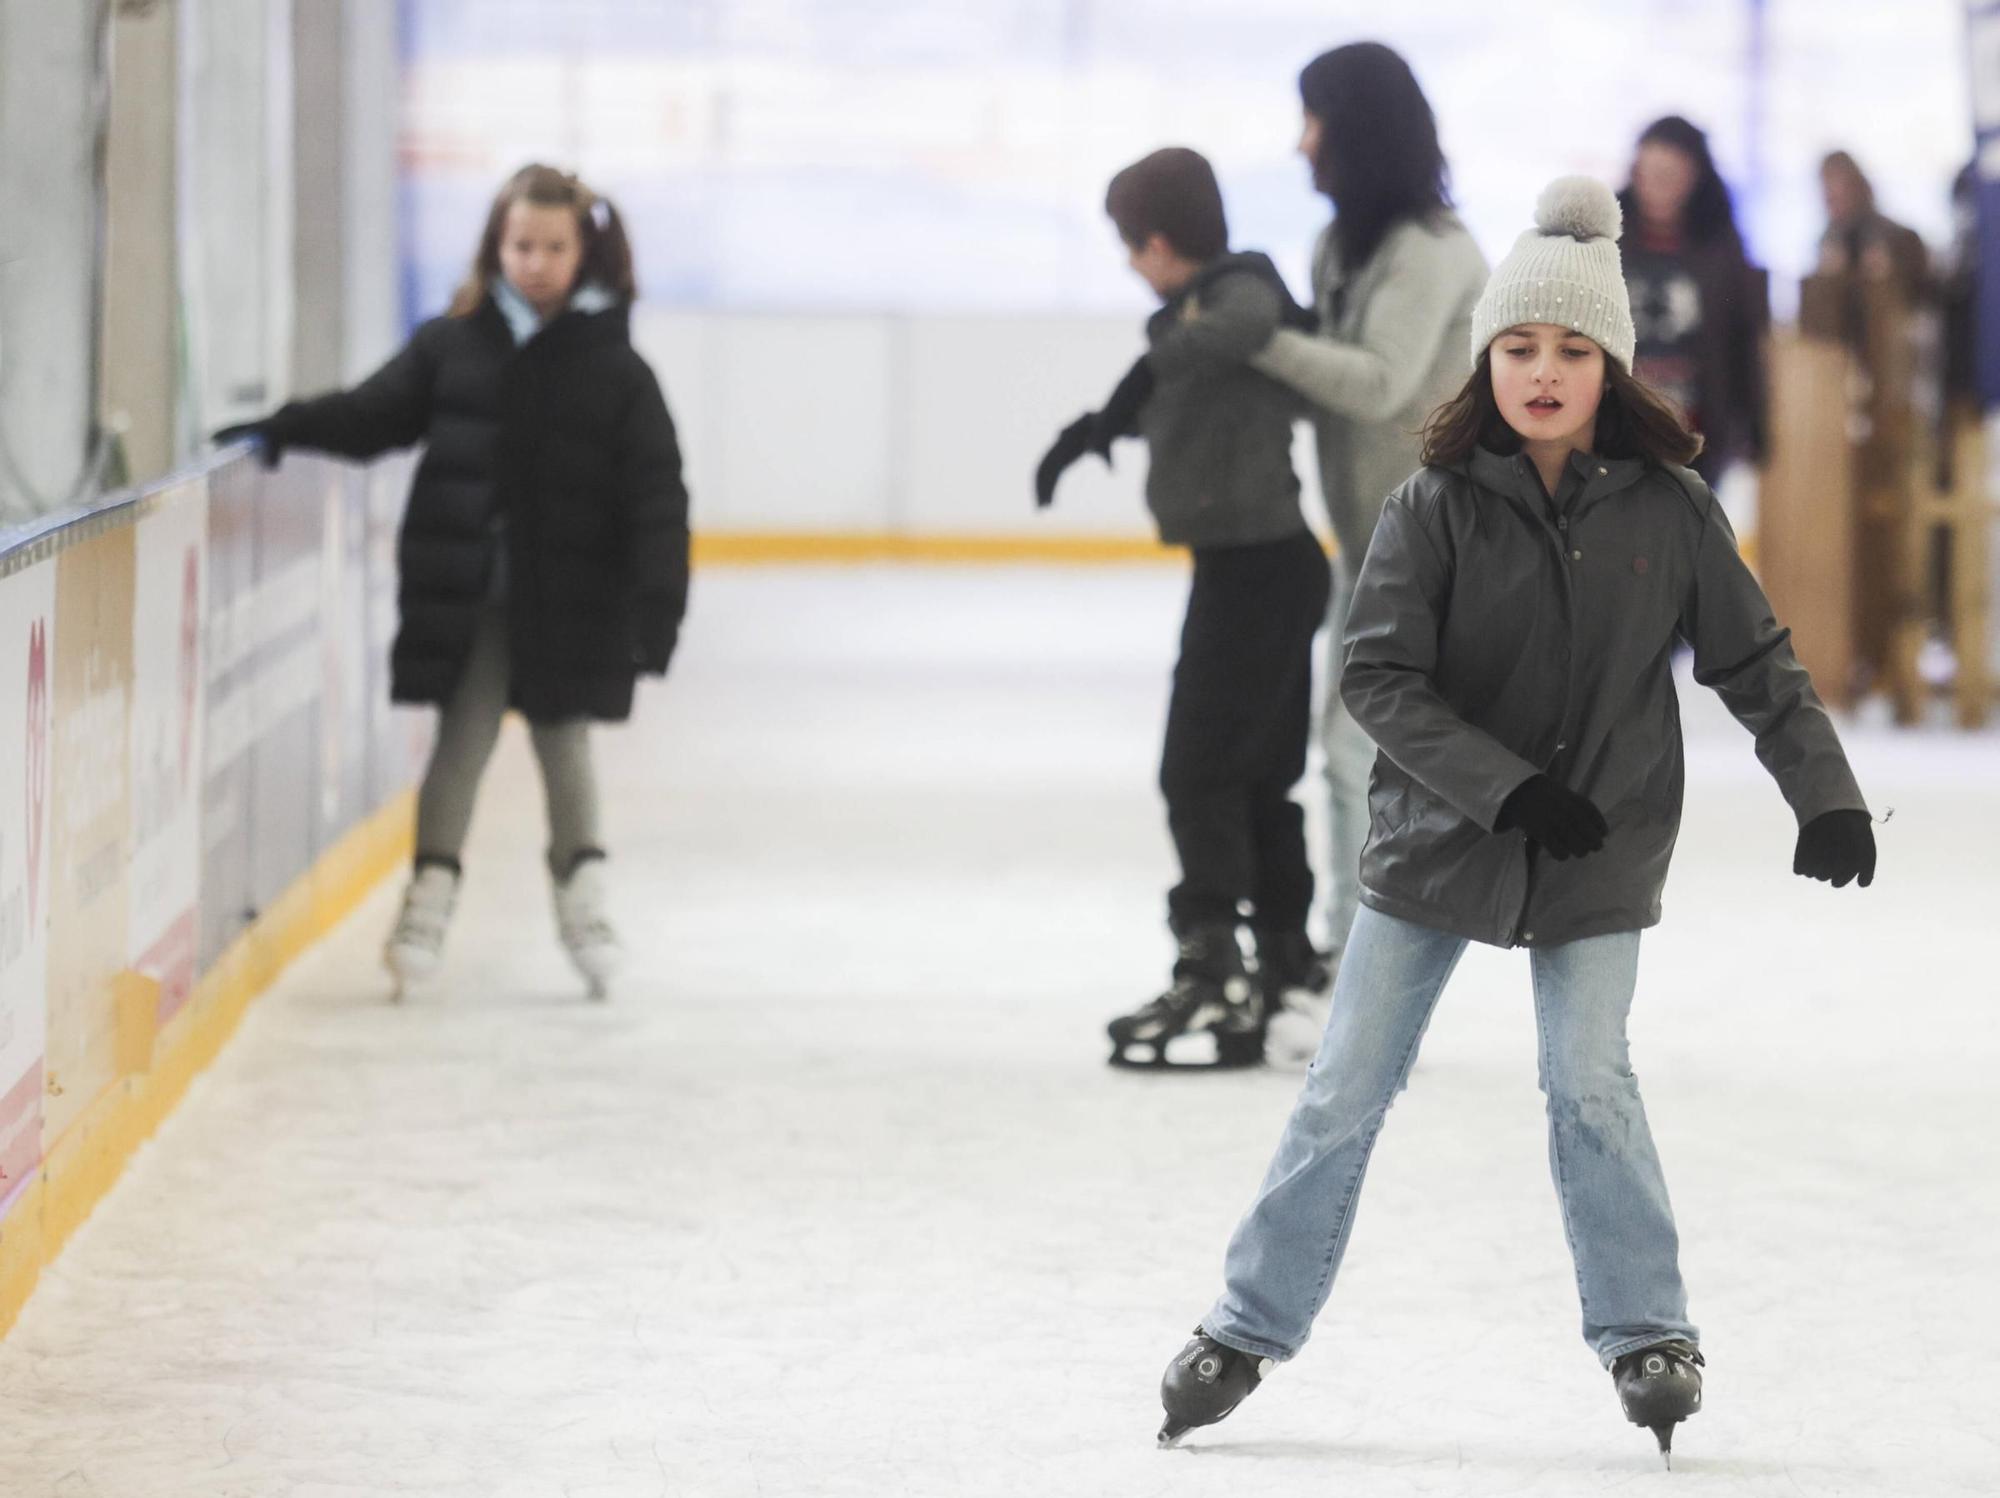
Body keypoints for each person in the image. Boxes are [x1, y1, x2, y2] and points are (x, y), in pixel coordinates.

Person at [1150, 178, 1877, 1466]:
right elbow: (1375, 676)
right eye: (1518, 347)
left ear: (1610, 366)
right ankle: (1244, 1325)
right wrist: (1498, 786)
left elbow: (1755, 664)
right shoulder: (1430, 507)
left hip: (1596, 846)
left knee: (1587, 1082)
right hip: (1436, 847)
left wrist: (1822, 793)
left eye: (1571, 350)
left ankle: (1647, 1330)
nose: (1542, 371)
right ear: (1486, 360)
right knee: (1343, 1089)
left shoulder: (1667, 510)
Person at [217, 164, 690, 1000]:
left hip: (570, 603)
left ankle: (585, 909)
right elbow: (372, 416)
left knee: (564, 745)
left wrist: (659, 611)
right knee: (460, 747)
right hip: (471, 600)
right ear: (495, 247)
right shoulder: (455, 345)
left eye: (553, 246)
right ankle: (426, 906)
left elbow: (657, 499)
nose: (535, 262)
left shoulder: (616, 370)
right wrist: (285, 426)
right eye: (520, 245)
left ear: (585, 253)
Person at [1036, 147, 1330, 1069]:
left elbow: (1235, 330)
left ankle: (1218, 967)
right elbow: (1154, 376)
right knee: (1247, 778)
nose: (1132, 266)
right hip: (1252, 569)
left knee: (1198, 773)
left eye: (1133, 248)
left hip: (1261, 571)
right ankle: (1281, 955)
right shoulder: (1190, 315)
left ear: (1160, 243)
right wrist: (1094, 431)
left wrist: (1170, 339)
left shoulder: (1242, 290)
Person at [1242, 43, 1488, 1065]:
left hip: (1434, 551)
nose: (1302, 143)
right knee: (1354, 760)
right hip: (1367, 543)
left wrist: (1241, 337)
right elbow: (1331, 378)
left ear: (1356, 128)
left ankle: (1365, 983)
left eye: (1315, 119)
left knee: (1356, 755)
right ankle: (1362, 964)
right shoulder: (1341, 247)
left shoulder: (1433, 251)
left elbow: (1382, 382)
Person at [1616, 116, 1769, 483]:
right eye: (1647, 174)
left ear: (1694, 177)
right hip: (1618, 428)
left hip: (1698, 435)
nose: (1655, 188)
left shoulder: (1720, 251)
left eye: (1668, 176)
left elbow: (1744, 342)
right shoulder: (1607, 242)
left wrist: (1756, 427)